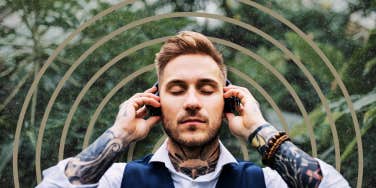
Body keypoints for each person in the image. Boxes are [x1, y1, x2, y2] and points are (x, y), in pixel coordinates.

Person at [37, 31, 349, 188]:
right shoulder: (118, 180)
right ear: (156, 101)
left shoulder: (264, 183)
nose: (191, 101)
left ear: (227, 100)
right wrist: (119, 134)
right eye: (176, 89)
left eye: (206, 88)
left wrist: (260, 130)